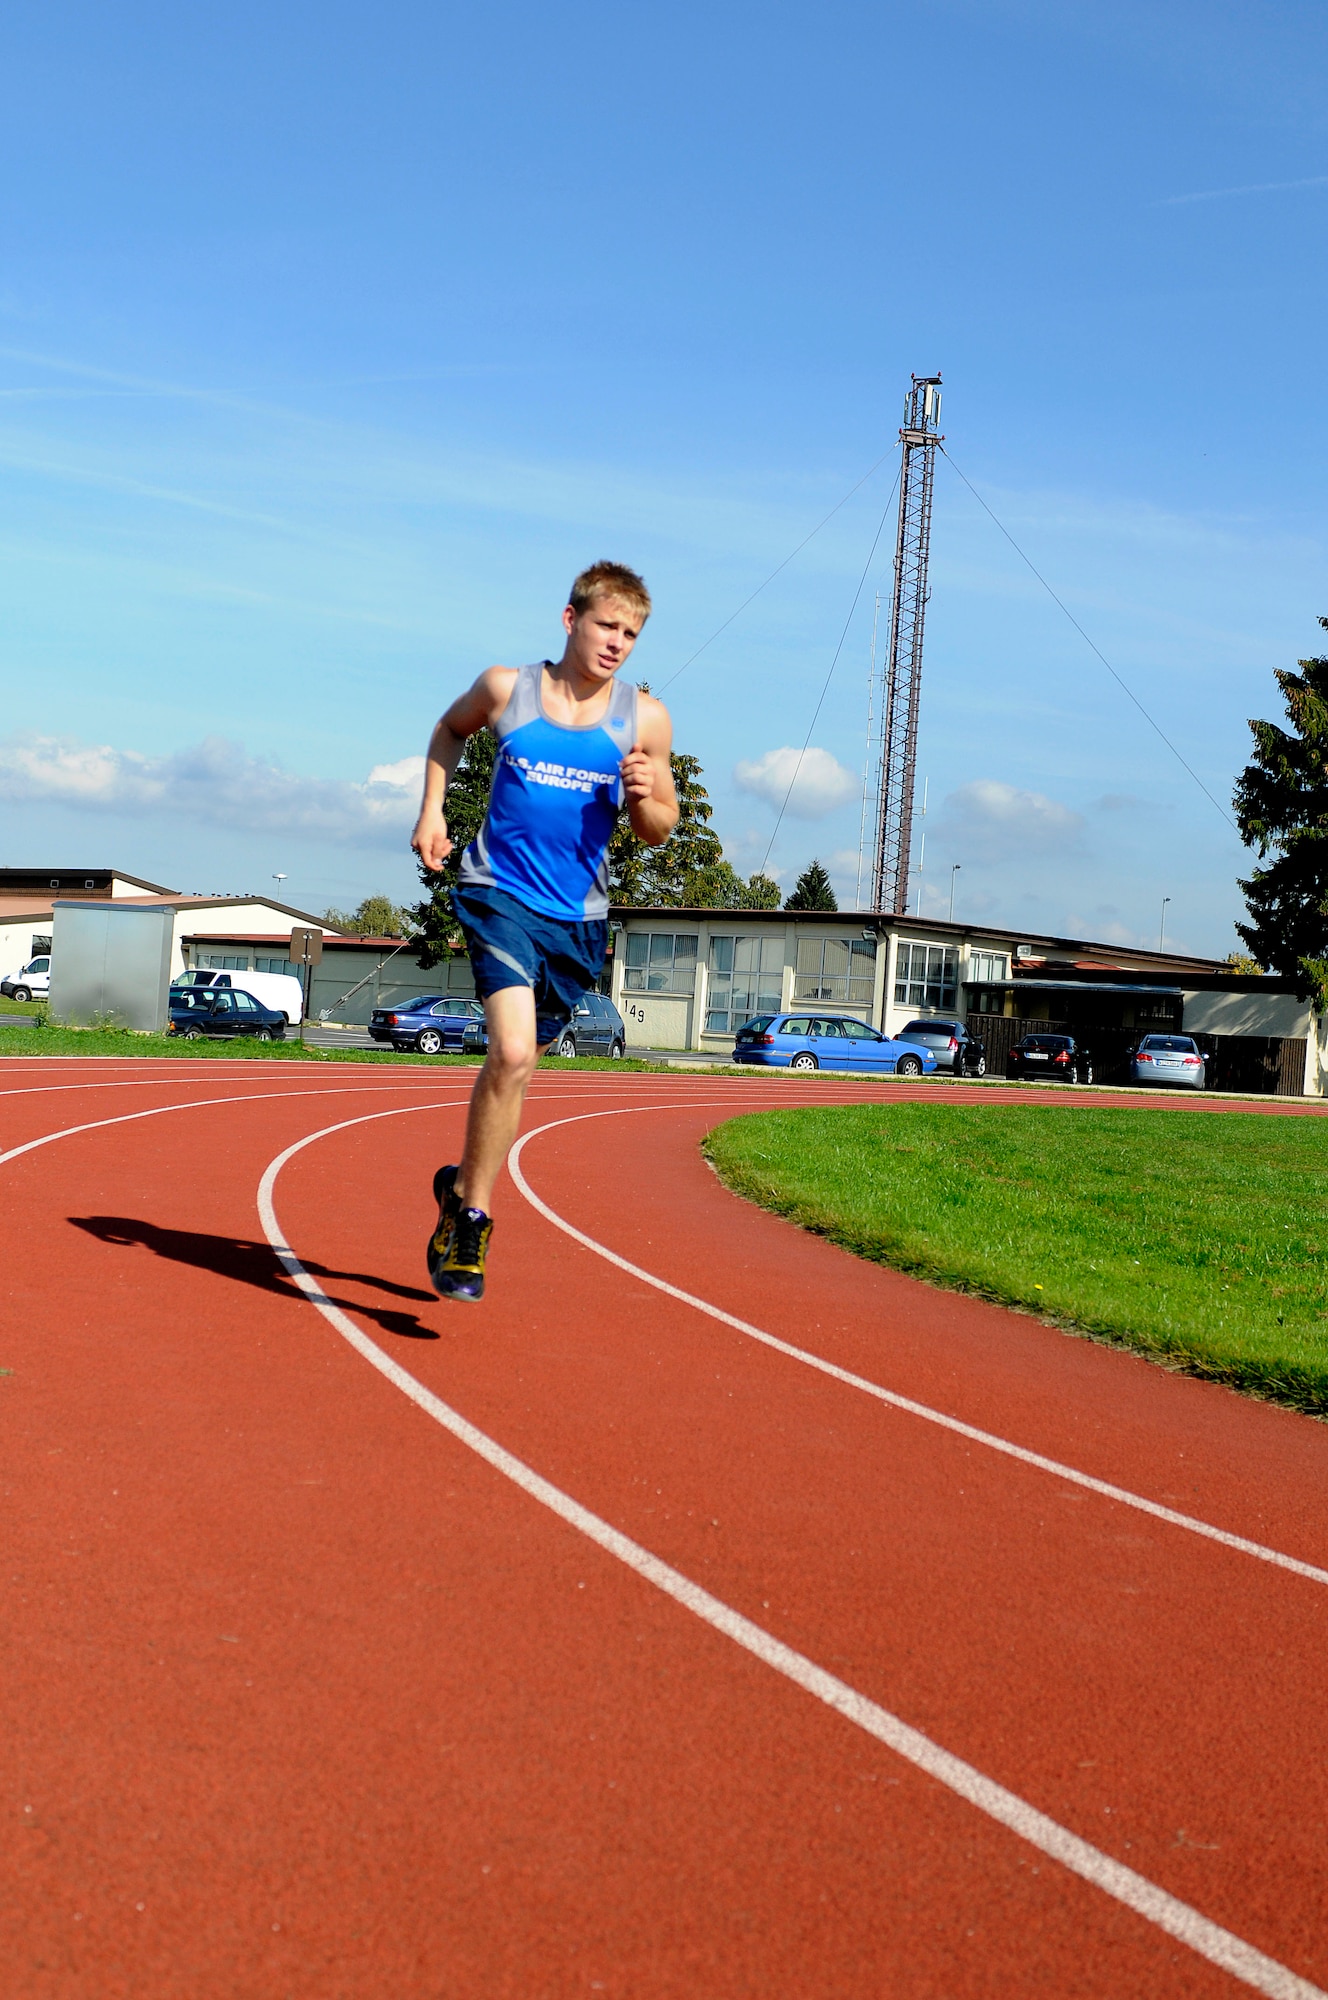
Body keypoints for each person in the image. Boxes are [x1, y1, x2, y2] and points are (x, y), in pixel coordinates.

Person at [410, 561, 678, 1301]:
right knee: (515, 1051)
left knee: (521, 1061)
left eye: (631, 633)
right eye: (606, 625)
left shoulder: (644, 718)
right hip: (497, 893)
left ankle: (457, 1185)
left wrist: (646, 796)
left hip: (578, 920)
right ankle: (473, 1220)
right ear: (570, 620)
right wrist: (433, 811)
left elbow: (658, 830)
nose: (617, 642)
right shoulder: (507, 689)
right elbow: (447, 730)